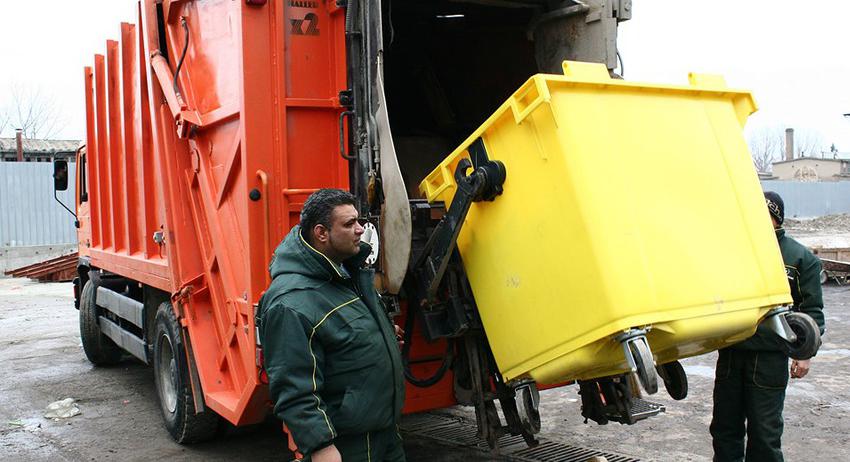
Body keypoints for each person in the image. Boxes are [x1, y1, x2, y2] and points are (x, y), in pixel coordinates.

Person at [258, 189, 405, 462]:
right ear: (321, 233)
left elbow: (343, 329)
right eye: (349, 224)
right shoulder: (290, 302)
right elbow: (293, 386)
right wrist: (321, 446)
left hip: (384, 434)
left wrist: (378, 337)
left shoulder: (347, 271)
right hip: (348, 445)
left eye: (358, 221)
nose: (361, 230)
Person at [710, 191, 826, 461]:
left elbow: (812, 312)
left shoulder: (800, 259)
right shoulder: (733, 254)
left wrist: (805, 353)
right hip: (731, 353)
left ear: (775, 218)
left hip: (769, 358)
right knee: (724, 429)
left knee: (764, 434)